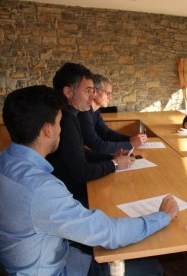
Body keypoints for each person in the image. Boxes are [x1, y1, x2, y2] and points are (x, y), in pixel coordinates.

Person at [0, 85, 179, 275]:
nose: (61, 130)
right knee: (151, 267)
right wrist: (162, 217)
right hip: (55, 268)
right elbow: (109, 233)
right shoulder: (41, 189)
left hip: (28, 257)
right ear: (47, 130)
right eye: (59, 123)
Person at [47, 63, 133, 207]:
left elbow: (80, 153)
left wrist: (112, 157)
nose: (93, 95)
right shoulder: (65, 119)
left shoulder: (70, 115)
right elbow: (81, 172)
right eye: (88, 91)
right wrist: (115, 164)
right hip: (69, 196)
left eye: (94, 90)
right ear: (68, 92)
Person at [78, 74, 147, 155]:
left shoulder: (95, 110)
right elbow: (97, 145)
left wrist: (130, 139)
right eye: (107, 93)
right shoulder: (84, 113)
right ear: (95, 91)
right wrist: (130, 144)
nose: (110, 98)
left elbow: (106, 133)